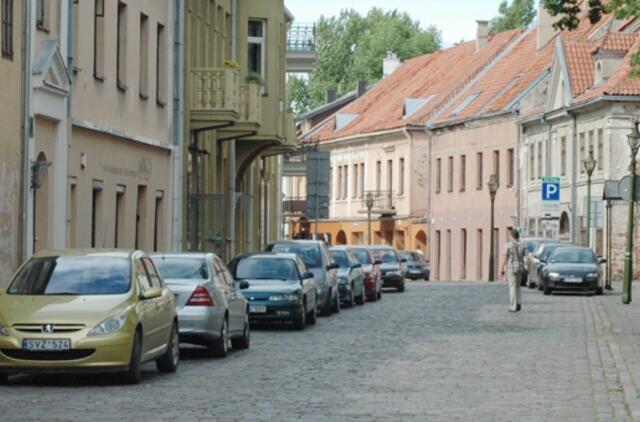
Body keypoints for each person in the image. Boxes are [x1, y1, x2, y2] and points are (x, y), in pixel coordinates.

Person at [501, 228, 526, 312]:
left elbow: (505, 258)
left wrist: (502, 268)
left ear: (512, 236)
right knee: (518, 286)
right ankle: (519, 303)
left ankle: (513, 306)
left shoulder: (508, 245)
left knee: (512, 286)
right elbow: (524, 255)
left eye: (509, 235)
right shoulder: (522, 244)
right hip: (520, 267)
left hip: (511, 268)